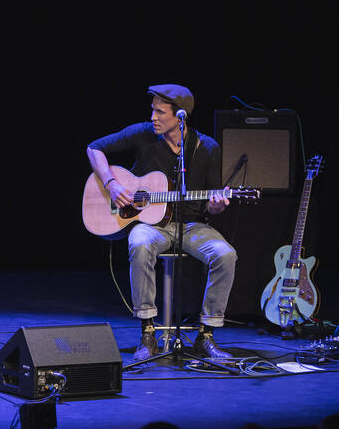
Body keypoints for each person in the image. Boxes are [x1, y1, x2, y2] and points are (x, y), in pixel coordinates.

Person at [86, 84, 237, 361]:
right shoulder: (143, 133)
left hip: (192, 225)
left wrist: (216, 207)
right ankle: (147, 331)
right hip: (151, 226)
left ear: (180, 117)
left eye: (160, 112)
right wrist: (112, 184)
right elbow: (94, 148)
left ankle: (207, 334)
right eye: (152, 110)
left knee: (225, 255)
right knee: (139, 243)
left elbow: (213, 200)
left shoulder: (207, 148)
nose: (153, 117)